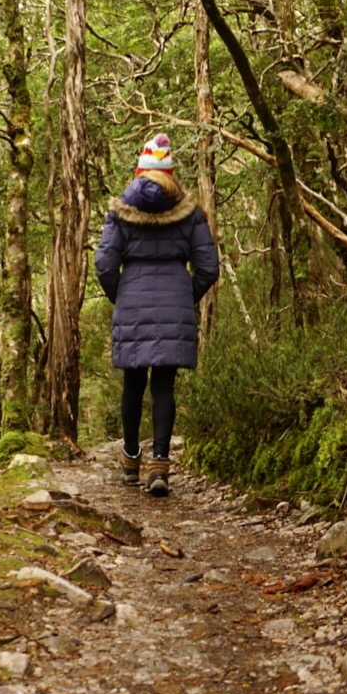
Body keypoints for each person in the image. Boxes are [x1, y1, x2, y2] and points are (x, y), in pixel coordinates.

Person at [94, 133, 220, 496]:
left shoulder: (120, 212)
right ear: (171, 173)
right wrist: (185, 296)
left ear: (139, 171)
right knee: (164, 384)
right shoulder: (190, 211)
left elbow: (104, 264)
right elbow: (209, 267)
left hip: (131, 300)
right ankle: (160, 465)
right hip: (174, 303)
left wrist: (121, 295)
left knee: (133, 383)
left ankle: (131, 459)